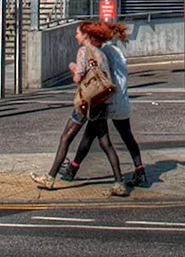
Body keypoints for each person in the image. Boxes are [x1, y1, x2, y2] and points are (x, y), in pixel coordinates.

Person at [34, 23, 128, 195]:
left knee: (65, 137)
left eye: (77, 33)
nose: (75, 36)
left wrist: (72, 67)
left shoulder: (84, 52)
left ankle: (50, 177)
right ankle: (119, 182)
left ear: (85, 35)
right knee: (105, 143)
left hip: (87, 104)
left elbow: (78, 79)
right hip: (101, 102)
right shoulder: (101, 53)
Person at [60, 21, 147, 189]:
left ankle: (76, 170)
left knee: (94, 137)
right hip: (122, 100)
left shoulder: (102, 52)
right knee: (125, 136)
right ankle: (139, 170)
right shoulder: (116, 51)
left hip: (106, 101)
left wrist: (74, 67)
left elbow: (98, 79)